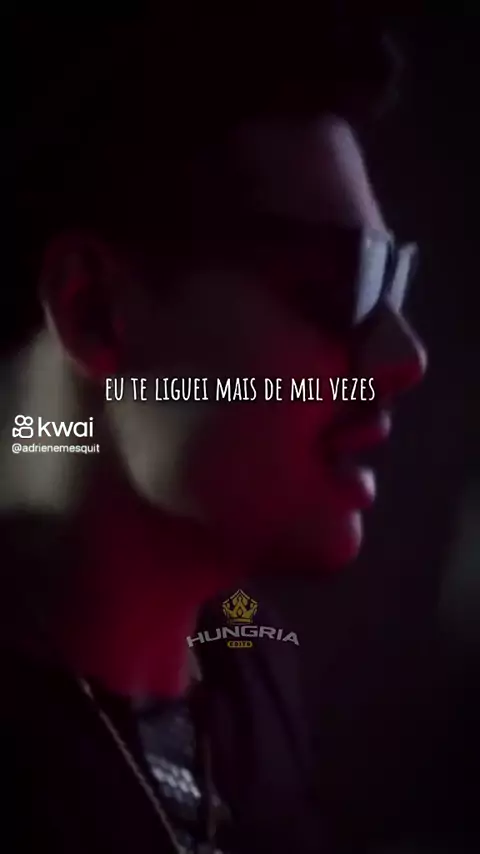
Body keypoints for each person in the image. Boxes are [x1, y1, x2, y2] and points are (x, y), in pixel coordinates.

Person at [5, 5, 427, 853]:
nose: (405, 357)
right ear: (93, 310)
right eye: (339, 279)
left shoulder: (249, 669)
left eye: (393, 280)